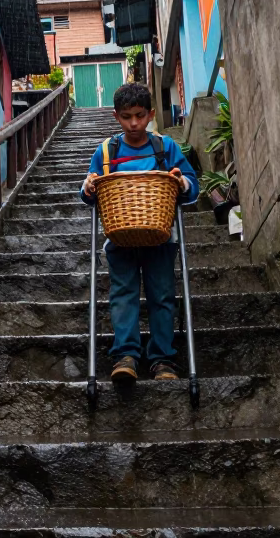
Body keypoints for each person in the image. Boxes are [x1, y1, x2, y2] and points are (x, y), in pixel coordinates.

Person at [79, 83, 198, 383]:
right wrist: (88, 186)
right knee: (123, 295)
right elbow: (89, 189)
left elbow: (192, 186)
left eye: (140, 116)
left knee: (162, 295)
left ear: (151, 114)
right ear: (116, 116)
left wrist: (180, 181)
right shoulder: (107, 150)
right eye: (127, 117)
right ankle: (126, 355)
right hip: (119, 237)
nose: (134, 123)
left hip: (160, 236)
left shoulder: (165, 147)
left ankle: (162, 359)